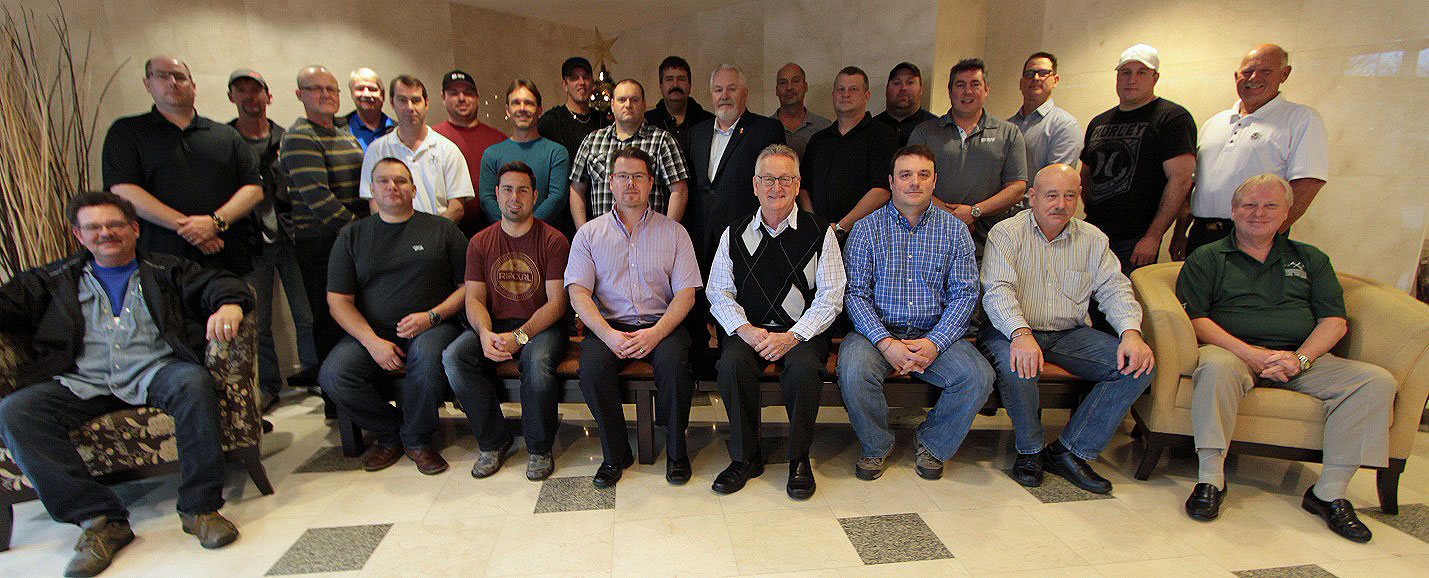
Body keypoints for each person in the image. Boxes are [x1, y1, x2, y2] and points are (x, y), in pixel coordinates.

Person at [0, 191, 251, 576]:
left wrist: (230, 304)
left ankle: (200, 509)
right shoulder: (53, 280)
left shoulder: (167, 269)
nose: (106, 233)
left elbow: (222, 283)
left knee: (193, 383)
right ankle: (99, 521)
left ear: (134, 229)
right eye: (93, 227)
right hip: (80, 380)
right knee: (15, 411)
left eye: (115, 224)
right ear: (79, 235)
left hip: (155, 371)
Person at [1176, 174, 1393, 543]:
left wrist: (1300, 359)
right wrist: (1249, 353)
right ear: (1233, 211)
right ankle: (1211, 480)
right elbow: (1196, 319)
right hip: (1234, 352)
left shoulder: (1311, 259)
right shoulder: (1208, 257)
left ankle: (1330, 494)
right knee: (1214, 367)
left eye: (1270, 206)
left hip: (1301, 359)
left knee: (1375, 381)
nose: (1258, 213)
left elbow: (1334, 322)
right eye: (1249, 205)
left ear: (1286, 213)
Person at [980, 164, 1155, 494]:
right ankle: (1030, 451)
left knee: (1137, 366)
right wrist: (1021, 333)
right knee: (1019, 366)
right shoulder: (1006, 233)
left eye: (1069, 196)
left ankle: (1070, 451)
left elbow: (1114, 288)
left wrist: (1131, 333)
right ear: (1032, 197)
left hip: (1068, 334)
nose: (1060, 204)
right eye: (1051, 196)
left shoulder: (1093, 239)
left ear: (1079, 197)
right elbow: (998, 289)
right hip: (1010, 330)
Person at [838, 144, 993, 482]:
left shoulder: (955, 231)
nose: (914, 182)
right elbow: (854, 294)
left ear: (934, 181)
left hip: (935, 334)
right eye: (905, 175)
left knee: (978, 377)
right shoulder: (865, 229)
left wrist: (935, 343)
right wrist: (885, 343)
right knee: (852, 370)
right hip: (876, 333)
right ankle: (877, 445)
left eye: (923, 175)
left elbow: (965, 294)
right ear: (891, 181)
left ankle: (933, 444)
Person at [706, 144, 845, 499]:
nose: (776, 187)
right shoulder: (734, 232)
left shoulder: (820, 232)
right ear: (755, 185)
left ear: (797, 185)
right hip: (749, 329)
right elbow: (718, 291)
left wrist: (793, 336)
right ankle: (745, 458)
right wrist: (746, 330)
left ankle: (798, 459)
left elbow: (831, 296)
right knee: (732, 365)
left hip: (802, 332)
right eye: (768, 179)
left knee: (803, 370)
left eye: (785, 179)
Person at [319, 158, 467, 476]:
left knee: (426, 357)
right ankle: (390, 433)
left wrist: (433, 315)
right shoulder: (352, 236)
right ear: (371, 190)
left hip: (433, 326)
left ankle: (417, 440)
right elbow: (338, 301)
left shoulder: (443, 230)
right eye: (383, 181)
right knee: (334, 375)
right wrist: (372, 342)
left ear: (413, 189)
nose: (392, 187)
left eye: (400, 181)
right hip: (372, 331)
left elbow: (469, 287)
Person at [564, 146, 701, 488]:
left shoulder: (674, 232)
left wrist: (656, 333)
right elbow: (578, 293)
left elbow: (686, 294)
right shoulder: (589, 234)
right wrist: (608, 334)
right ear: (611, 182)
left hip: (662, 325)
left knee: (675, 366)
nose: (630, 184)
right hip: (610, 326)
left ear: (651, 183)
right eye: (623, 176)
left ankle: (676, 452)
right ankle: (615, 455)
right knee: (591, 371)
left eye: (638, 176)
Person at [443, 161, 570, 481]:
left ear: (535, 196)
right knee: (454, 356)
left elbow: (557, 303)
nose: (515, 197)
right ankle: (493, 441)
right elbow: (473, 299)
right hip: (495, 325)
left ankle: (539, 448)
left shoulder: (554, 240)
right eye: (508, 190)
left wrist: (520, 336)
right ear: (497, 194)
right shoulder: (479, 242)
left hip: (542, 327)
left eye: (523, 190)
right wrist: (484, 333)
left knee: (537, 362)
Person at [102, 55, 264, 276]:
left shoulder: (226, 134)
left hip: (227, 257)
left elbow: (254, 188)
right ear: (148, 84)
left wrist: (214, 224)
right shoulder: (127, 132)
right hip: (162, 261)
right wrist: (192, 230)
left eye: (179, 77)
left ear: (194, 86)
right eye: (162, 76)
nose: (172, 82)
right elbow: (123, 190)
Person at [1173, 44, 1328, 258]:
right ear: (1236, 76)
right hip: (1201, 235)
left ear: (1284, 74)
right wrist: (1180, 232)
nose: (1254, 78)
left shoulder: (1300, 118)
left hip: (1255, 238)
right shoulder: (1214, 123)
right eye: (1247, 72)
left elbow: (1308, 183)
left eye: (1265, 71)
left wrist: (1265, 238)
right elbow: (1194, 185)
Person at [684, 64, 786, 375]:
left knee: (738, 310)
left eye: (731, 89)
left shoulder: (766, 130)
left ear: (745, 93)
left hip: (744, 237)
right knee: (698, 309)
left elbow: (772, 182)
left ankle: (734, 373)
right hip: (700, 237)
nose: (724, 96)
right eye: (718, 90)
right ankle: (702, 374)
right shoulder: (696, 132)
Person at [226, 68, 317, 409]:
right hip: (250, 243)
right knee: (259, 318)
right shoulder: (226, 141)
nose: (250, 97)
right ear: (232, 97)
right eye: (242, 90)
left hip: (291, 239)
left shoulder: (287, 138)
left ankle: (314, 375)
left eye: (256, 90)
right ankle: (267, 385)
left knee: (306, 313)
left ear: (269, 96)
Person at [1080, 44, 1196, 272]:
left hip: (1135, 241)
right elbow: (1086, 175)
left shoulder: (1172, 119)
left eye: (1141, 72)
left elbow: (1181, 181)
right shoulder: (1098, 122)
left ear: (1155, 77)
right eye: (1125, 72)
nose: (1131, 80)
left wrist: (1153, 236)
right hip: (1093, 235)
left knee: (1126, 295)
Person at [280, 65, 369, 363]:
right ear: (299, 95)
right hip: (322, 244)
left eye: (331, 89)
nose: (325, 94)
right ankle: (333, 386)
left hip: (350, 240)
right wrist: (361, 233)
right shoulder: (300, 137)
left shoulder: (343, 135)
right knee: (330, 317)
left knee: (355, 315)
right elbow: (318, 198)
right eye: (315, 88)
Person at [908, 58, 1028, 249]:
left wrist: (974, 211)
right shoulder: (925, 132)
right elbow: (910, 182)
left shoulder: (1009, 133)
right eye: (960, 85)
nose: (968, 91)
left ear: (986, 89)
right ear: (950, 92)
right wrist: (952, 216)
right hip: (932, 241)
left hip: (991, 244)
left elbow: (1017, 188)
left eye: (975, 84)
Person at [568, 79, 690, 228]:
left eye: (634, 100)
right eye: (622, 100)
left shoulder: (662, 141)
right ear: (612, 105)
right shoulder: (592, 141)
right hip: (603, 236)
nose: (628, 105)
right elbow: (576, 189)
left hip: (650, 235)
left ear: (644, 105)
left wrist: (667, 232)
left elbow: (679, 191)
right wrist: (584, 233)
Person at [799, 67, 898, 239]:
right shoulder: (818, 140)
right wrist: (816, 226)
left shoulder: (882, 135)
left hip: (865, 237)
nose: (845, 94)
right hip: (820, 237)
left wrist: (840, 228)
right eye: (840, 89)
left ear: (866, 96)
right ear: (833, 95)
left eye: (853, 89)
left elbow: (882, 190)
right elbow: (803, 188)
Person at [359, 74, 474, 222]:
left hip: (437, 233)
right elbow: (374, 204)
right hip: (391, 234)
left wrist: (433, 233)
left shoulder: (448, 150)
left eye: (415, 100)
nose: (410, 107)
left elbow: (457, 208)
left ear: (426, 103)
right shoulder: (376, 151)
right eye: (402, 100)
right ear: (392, 102)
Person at [478, 80, 570, 233]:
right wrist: (510, 229)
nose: (522, 108)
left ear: (539, 111)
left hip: (544, 238)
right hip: (503, 238)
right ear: (508, 110)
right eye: (516, 103)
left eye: (529, 103)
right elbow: (487, 199)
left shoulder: (556, 153)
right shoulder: (491, 155)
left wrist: (527, 229)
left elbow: (557, 197)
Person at [431, 70, 508, 234]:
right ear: (443, 98)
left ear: (477, 97)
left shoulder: (498, 139)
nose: (461, 98)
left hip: (494, 230)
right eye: (454, 93)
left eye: (468, 93)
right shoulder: (432, 140)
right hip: (448, 231)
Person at [1009, 52, 1082, 176]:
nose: (1036, 78)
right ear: (1021, 83)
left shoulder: (1065, 125)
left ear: (1055, 80)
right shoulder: (1007, 126)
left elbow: (1057, 180)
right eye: (1029, 74)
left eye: (1043, 73)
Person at [537, 56, 610, 162]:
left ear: (592, 83)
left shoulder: (602, 120)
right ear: (565, 85)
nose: (581, 82)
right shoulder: (551, 122)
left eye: (586, 77)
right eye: (574, 78)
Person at [645, 55, 714, 149]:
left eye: (681, 79)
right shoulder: (648, 122)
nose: (675, 85)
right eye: (669, 79)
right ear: (661, 86)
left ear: (690, 85)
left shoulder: (708, 122)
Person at [772, 62, 832, 157]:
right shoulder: (764, 129)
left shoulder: (824, 127)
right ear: (776, 90)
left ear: (805, 87)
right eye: (783, 83)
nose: (789, 87)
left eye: (795, 81)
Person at [873, 62, 937, 146]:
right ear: (886, 90)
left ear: (921, 89)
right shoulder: (871, 128)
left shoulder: (935, 128)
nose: (903, 88)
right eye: (897, 83)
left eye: (910, 82)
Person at [342, 67, 394, 151]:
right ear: (352, 94)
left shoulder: (399, 131)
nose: (366, 94)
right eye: (360, 89)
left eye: (372, 89)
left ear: (383, 95)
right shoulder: (338, 129)